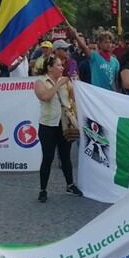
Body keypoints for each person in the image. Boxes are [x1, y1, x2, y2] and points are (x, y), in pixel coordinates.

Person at [32, 56, 82, 202]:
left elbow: (74, 98)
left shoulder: (66, 83)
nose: (62, 68)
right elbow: (45, 97)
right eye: (59, 65)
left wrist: (75, 83)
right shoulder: (40, 82)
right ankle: (43, 189)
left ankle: (70, 185)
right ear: (49, 68)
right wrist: (58, 84)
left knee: (65, 156)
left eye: (62, 65)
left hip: (65, 124)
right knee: (48, 157)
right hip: (48, 125)